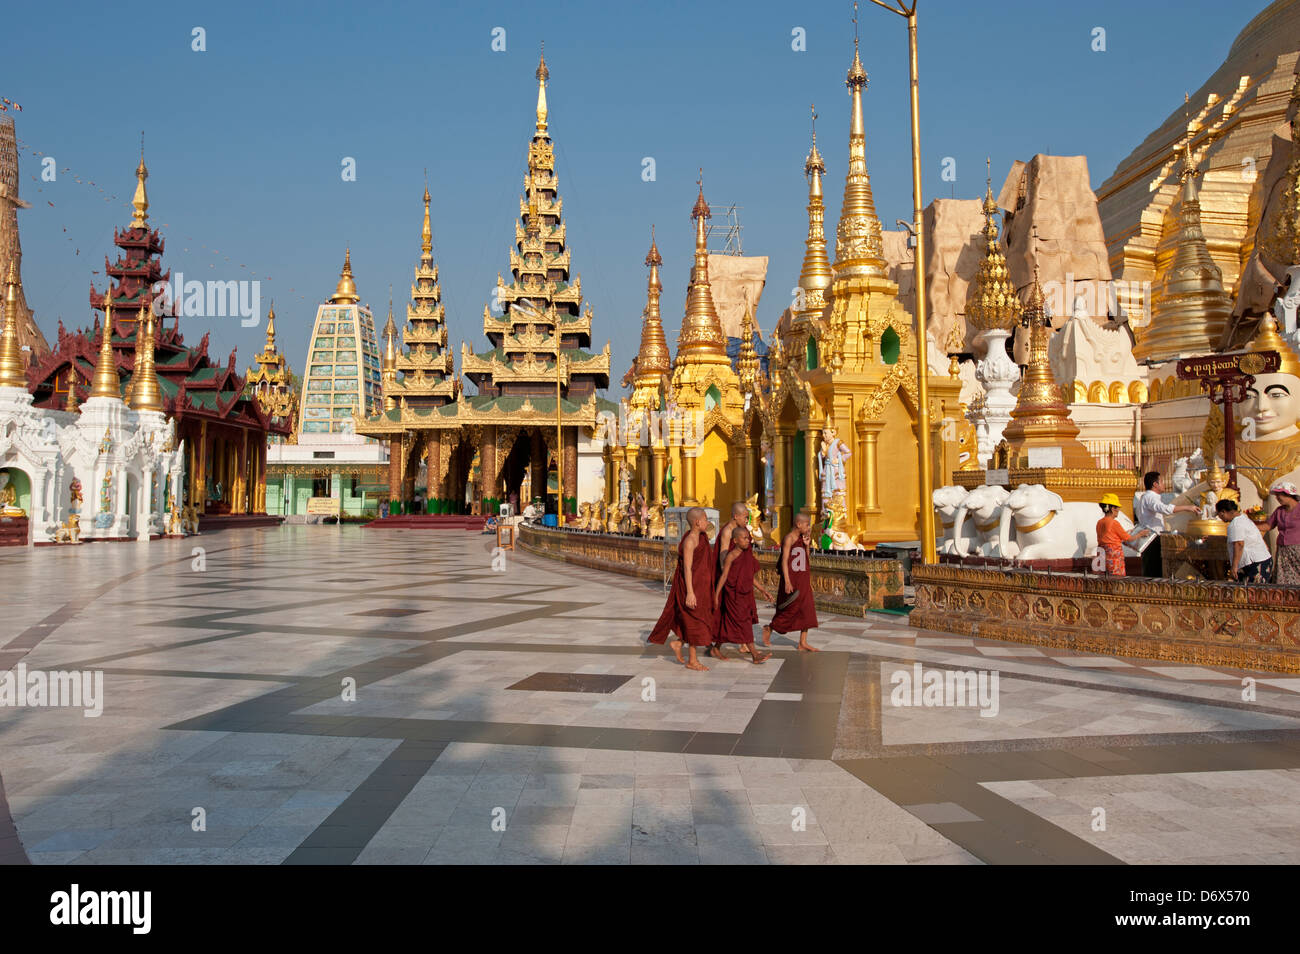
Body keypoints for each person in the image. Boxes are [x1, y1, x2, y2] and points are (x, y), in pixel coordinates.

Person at [647, 507, 716, 672]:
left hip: (702, 586)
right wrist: (690, 592)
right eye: (705, 519)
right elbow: (687, 568)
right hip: (693, 587)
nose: (708, 522)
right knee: (695, 623)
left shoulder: (702, 537)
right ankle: (692, 660)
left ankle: (679, 643)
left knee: (698, 621)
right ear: (697, 522)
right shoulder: (690, 541)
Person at [711, 527, 773, 663]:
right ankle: (755, 654)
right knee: (743, 623)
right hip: (733, 595)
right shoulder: (731, 556)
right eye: (744, 538)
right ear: (735, 541)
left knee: (730, 623)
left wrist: (763, 590)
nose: (748, 540)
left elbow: (749, 577)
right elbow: (724, 576)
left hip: (745, 595)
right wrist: (716, 595)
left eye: (748, 538)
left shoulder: (747, 555)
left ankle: (716, 647)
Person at [762, 512, 820, 652]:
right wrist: (787, 581)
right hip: (792, 579)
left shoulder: (803, 538)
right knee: (790, 609)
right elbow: (784, 560)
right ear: (799, 524)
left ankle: (803, 642)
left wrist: (807, 545)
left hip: (803, 578)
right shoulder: (789, 538)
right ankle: (770, 627)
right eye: (807, 525)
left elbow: (806, 558)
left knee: (807, 609)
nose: (808, 528)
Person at [1134, 471, 1198, 576]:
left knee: (1153, 567)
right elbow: (1164, 509)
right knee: (1154, 568)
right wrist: (1187, 507)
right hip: (1152, 537)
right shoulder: (1150, 497)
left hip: (1149, 536)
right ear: (1155, 484)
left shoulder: (1146, 498)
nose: (1164, 484)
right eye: (1162, 481)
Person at [1217, 498, 1273, 583]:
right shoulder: (1244, 518)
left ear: (1223, 512)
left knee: (1253, 593)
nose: (1220, 518)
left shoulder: (1235, 524)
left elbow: (1239, 544)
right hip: (1263, 559)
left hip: (1255, 563)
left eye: (1219, 515)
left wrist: (1234, 566)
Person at [1095, 493, 1150, 576]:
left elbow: (1111, 535)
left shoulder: (1100, 522)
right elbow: (1128, 539)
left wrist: (1129, 532)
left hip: (1102, 554)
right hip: (1113, 555)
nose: (1118, 511)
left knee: (1105, 578)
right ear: (1113, 509)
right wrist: (1140, 534)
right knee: (1116, 579)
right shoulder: (1114, 523)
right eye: (1118, 508)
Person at [1267, 481, 1300, 584]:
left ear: (1288, 495)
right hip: (1283, 550)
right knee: (1284, 578)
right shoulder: (1279, 511)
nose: (1277, 498)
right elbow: (1269, 525)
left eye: (1279, 495)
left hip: (1298, 548)